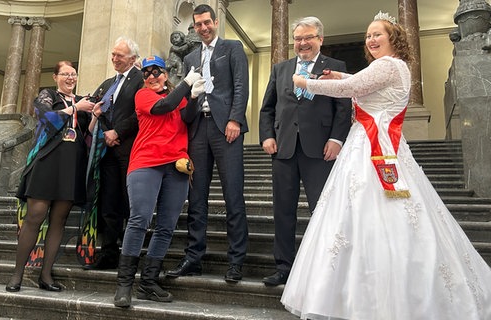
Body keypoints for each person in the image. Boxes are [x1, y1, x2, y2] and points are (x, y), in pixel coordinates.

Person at [282, 12, 491, 319]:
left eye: (377, 34)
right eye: (368, 35)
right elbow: (358, 84)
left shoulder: (388, 65)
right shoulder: (393, 68)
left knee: (378, 211)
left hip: (373, 146)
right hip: (376, 143)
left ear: (393, 39)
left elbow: (349, 89)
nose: (371, 39)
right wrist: (340, 77)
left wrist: (304, 82)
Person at [258, 16, 352, 287]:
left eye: (308, 37)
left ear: (320, 39)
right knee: (283, 211)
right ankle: (284, 268)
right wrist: (267, 136)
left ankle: (323, 269)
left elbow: (342, 108)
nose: (302, 43)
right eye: (298, 38)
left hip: (320, 150)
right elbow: (267, 107)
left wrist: (336, 139)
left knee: (322, 210)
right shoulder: (280, 68)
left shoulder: (335, 67)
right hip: (284, 150)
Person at [165, 4, 250, 283]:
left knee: (233, 194)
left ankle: (236, 260)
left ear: (215, 22)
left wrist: (235, 119)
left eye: (206, 23)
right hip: (197, 128)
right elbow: (187, 93)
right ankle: (193, 257)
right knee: (196, 197)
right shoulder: (190, 57)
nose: (203, 28)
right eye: (198, 24)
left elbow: (240, 85)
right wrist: (189, 102)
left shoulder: (232, 48)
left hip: (226, 128)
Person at [113, 55, 205, 308]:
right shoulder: (143, 96)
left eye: (156, 72)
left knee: (166, 226)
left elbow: (187, 117)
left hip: (176, 165)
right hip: (146, 162)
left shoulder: (178, 94)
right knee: (139, 220)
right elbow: (164, 107)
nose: (151, 77)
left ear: (165, 74)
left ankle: (148, 282)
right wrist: (187, 84)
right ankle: (124, 285)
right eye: (147, 73)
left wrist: (194, 98)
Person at [6, 61, 95, 292]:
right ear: (55, 76)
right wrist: (76, 109)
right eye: (65, 74)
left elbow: (88, 133)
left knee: (59, 220)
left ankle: (46, 276)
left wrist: (95, 114)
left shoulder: (81, 102)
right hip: (47, 162)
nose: (70, 78)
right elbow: (46, 117)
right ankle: (17, 275)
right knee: (35, 216)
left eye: (73, 74)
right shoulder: (48, 95)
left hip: (71, 166)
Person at [83, 36, 143, 270]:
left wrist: (118, 131)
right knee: (108, 203)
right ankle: (108, 253)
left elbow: (142, 113)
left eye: (119, 55)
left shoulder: (140, 80)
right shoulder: (108, 83)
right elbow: (97, 108)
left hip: (130, 150)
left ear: (132, 59)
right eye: (113, 54)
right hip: (106, 152)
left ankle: (131, 256)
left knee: (130, 204)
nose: (114, 58)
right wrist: (107, 131)